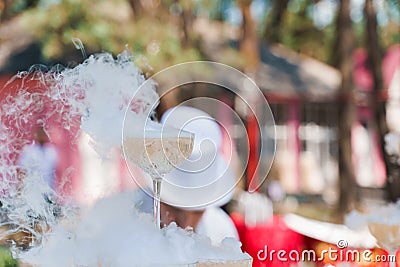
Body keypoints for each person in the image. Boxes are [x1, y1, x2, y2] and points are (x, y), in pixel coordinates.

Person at [138, 106, 239, 245]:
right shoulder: (121, 221)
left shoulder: (222, 232)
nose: (186, 225)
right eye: (175, 210)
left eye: (197, 212)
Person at [18, 125, 58, 191]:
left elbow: (55, 171)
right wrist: (20, 189)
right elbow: (22, 171)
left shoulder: (52, 150)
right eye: (40, 134)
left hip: (49, 189)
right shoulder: (29, 151)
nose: (42, 136)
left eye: (43, 133)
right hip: (33, 189)